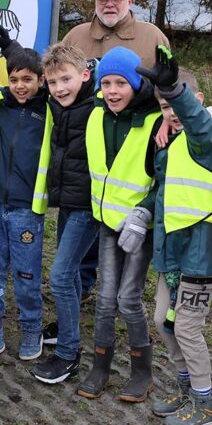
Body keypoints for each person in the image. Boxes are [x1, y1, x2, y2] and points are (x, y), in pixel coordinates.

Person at [61, 0, 171, 316]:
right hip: (85, 139)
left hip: (137, 140)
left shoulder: (152, 36)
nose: (109, 4)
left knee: (116, 220)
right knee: (80, 214)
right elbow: (56, 75)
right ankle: (80, 288)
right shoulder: (76, 35)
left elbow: (170, 81)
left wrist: (169, 116)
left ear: (130, 1)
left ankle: (120, 294)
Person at [144, 52, 212, 425]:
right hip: (172, 253)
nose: (173, 112)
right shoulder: (170, 145)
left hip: (200, 252)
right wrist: (142, 214)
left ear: (197, 99)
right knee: (163, 322)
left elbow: (197, 122)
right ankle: (185, 389)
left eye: (179, 103)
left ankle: (205, 403)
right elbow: (164, 195)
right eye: (165, 107)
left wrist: (174, 90)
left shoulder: (206, 137)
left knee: (187, 328)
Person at [76, 46, 160, 403]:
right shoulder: (96, 114)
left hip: (140, 227)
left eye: (121, 83)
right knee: (106, 300)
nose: (112, 91)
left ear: (138, 83)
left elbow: (165, 179)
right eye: (106, 83)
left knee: (129, 299)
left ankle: (142, 372)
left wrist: (144, 214)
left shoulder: (156, 122)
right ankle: (101, 366)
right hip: (108, 222)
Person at [0, 27, 49, 358]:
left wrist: (11, 47)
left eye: (28, 80)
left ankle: (31, 329)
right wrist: (9, 48)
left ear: (41, 81)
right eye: (15, 79)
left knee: (26, 274)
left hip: (27, 208)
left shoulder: (50, 110)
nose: (20, 86)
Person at [29, 43, 97, 384]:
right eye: (53, 83)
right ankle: (65, 333)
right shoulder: (58, 105)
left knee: (59, 275)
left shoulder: (98, 104)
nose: (60, 88)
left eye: (67, 79)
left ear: (85, 75)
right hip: (68, 201)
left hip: (90, 205)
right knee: (67, 275)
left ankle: (69, 353)